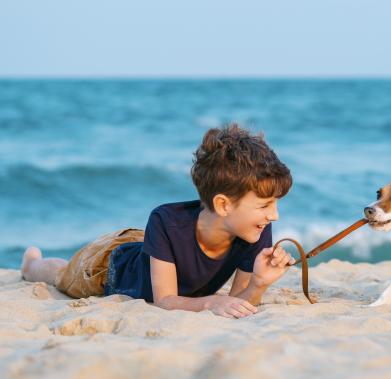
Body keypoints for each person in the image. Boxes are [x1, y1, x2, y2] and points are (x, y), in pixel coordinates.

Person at [21, 123, 295, 319]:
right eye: (265, 205)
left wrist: (259, 284)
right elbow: (164, 300)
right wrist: (209, 302)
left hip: (153, 252)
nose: (274, 215)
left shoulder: (254, 229)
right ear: (223, 204)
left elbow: (237, 305)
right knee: (59, 274)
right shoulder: (165, 219)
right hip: (108, 267)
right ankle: (31, 263)